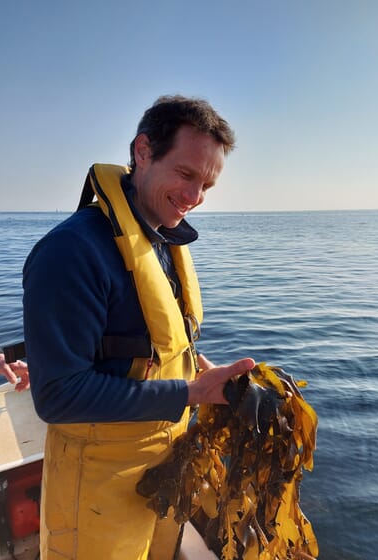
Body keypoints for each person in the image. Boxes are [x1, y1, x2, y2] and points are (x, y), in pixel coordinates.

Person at [23, 95, 255, 560]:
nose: (195, 198)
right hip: (97, 491)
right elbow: (58, 396)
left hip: (164, 475)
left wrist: (202, 372)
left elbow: (156, 342)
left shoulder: (160, 238)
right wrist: (191, 393)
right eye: (186, 175)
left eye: (207, 184)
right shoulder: (71, 252)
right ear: (143, 152)